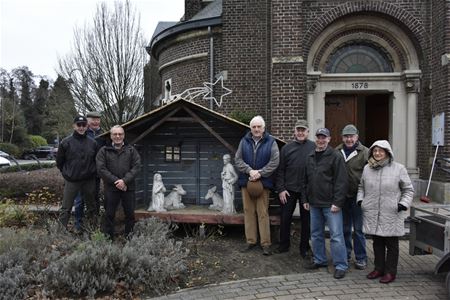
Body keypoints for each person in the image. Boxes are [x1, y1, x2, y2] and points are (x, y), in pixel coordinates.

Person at [357, 140, 414, 284]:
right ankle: (379, 269)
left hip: (392, 212)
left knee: (392, 244)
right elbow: (361, 187)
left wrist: (403, 204)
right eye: (375, 151)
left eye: (381, 151)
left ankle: (390, 272)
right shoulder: (367, 169)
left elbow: (408, 189)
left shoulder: (398, 168)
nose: (377, 153)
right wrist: (360, 200)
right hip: (372, 212)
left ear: (387, 152)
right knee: (377, 243)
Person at [302, 128, 348, 279]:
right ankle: (320, 259)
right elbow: (304, 180)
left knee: (336, 236)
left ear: (329, 139)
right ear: (316, 139)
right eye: (319, 137)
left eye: (324, 138)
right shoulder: (309, 156)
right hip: (314, 203)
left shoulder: (335, 156)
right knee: (315, 234)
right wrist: (305, 199)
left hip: (331, 204)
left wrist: (338, 202)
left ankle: (341, 265)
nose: (321, 140)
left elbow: (341, 182)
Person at [235, 115, 279, 256]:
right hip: (246, 182)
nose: (256, 129)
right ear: (250, 128)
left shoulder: (271, 142)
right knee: (248, 212)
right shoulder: (244, 141)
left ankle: (265, 243)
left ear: (263, 128)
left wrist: (260, 173)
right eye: (254, 127)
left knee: (262, 213)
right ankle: (251, 241)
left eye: (259, 126)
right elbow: (238, 159)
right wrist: (250, 171)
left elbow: (274, 161)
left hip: (263, 183)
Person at [274, 119, 315, 257]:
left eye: (303, 130)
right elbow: (280, 171)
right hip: (289, 190)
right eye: (298, 130)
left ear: (308, 132)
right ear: (294, 131)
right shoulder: (286, 148)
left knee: (306, 220)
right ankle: (284, 245)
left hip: (307, 191)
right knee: (285, 218)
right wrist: (281, 189)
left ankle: (304, 247)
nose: (300, 132)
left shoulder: (314, 147)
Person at [96, 125, 141, 240]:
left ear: (123, 135)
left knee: (130, 215)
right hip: (111, 188)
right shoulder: (103, 151)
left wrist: (124, 181)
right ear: (111, 136)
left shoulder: (131, 150)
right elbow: (101, 169)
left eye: (120, 134)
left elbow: (136, 167)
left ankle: (129, 238)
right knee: (109, 215)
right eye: (115, 134)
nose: (117, 136)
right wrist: (117, 181)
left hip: (128, 187)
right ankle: (108, 239)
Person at [335, 124, 369, 269]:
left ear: (357, 137)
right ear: (342, 137)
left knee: (359, 229)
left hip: (358, 197)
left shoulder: (365, 152)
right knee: (345, 228)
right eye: (346, 136)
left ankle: (361, 257)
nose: (349, 139)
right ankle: (347, 254)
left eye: (351, 136)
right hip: (342, 197)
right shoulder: (336, 151)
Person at [56, 115, 98, 230]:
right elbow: (59, 162)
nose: (81, 127)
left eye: (83, 125)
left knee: (92, 207)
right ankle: (60, 232)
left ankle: (92, 230)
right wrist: (67, 174)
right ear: (74, 126)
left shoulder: (93, 143)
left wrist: (92, 172)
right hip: (72, 180)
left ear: (86, 126)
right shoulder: (65, 142)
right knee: (66, 208)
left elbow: (96, 161)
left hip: (88, 180)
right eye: (78, 125)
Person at [74, 111, 104, 230]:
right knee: (80, 200)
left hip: (95, 174)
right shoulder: (82, 133)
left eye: (98, 119)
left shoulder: (104, 134)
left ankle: (94, 224)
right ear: (87, 121)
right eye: (93, 119)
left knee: (94, 199)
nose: (96, 121)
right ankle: (78, 225)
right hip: (81, 174)